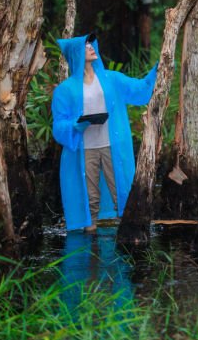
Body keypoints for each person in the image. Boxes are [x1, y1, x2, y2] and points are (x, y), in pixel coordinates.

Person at [51, 33, 158, 233]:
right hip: (85, 149)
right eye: (85, 45)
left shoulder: (111, 79)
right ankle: (90, 250)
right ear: (76, 53)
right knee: (90, 198)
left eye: (91, 44)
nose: (91, 47)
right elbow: (58, 125)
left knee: (122, 190)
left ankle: (130, 238)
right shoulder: (65, 90)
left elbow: (139, 89)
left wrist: (158, 69)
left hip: (112, 145)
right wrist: (75, 125)